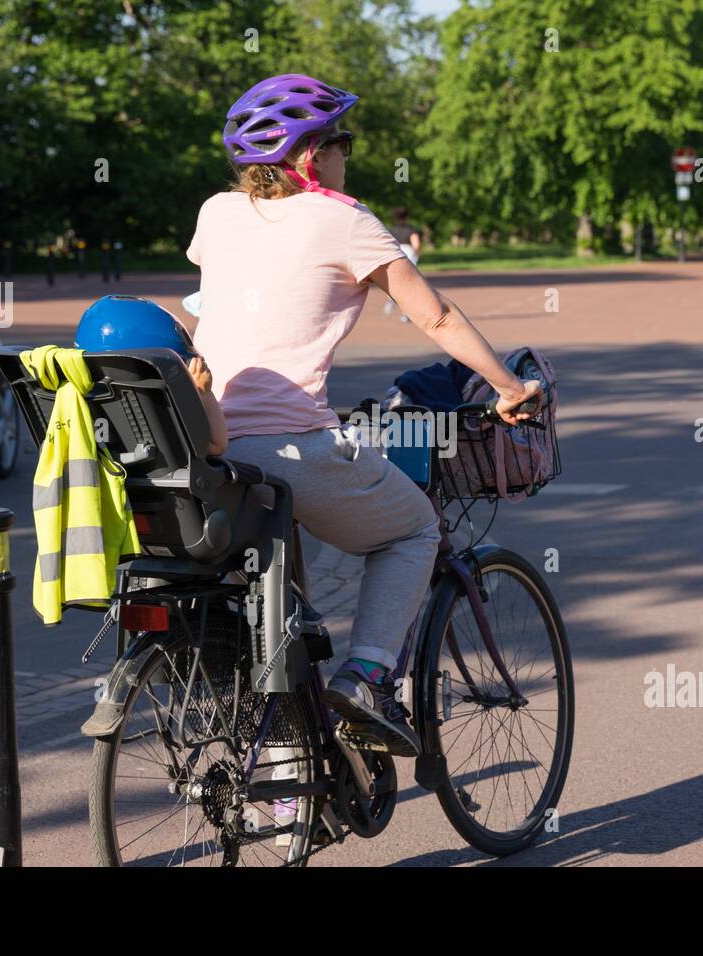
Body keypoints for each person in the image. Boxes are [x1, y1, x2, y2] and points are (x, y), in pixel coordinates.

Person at [189, 73, 541, 756]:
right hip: (290, 446)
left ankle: (284, 787)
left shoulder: (217, 213)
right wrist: (507, 387)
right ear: (312, 156)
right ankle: (369, 675)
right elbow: (435, 315)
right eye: (344, 141)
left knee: (284, 615)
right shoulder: (346, 220)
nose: (351, 155)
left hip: (208, 447)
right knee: (413, 530)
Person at [74, 295, 228, 455]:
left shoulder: (73, 399)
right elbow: (217, 445)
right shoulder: (165, 413)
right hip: (162, 478)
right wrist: (203, 393)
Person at [383, 206, 422, 322]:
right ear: (407, 217)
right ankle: (405, 314)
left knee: (392, 282)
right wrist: (417, 254)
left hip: (393, 258)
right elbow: (416, 245)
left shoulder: (390, 231)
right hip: (408, 259)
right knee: (408, 287)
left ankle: (390, 299)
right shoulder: (411, 231)